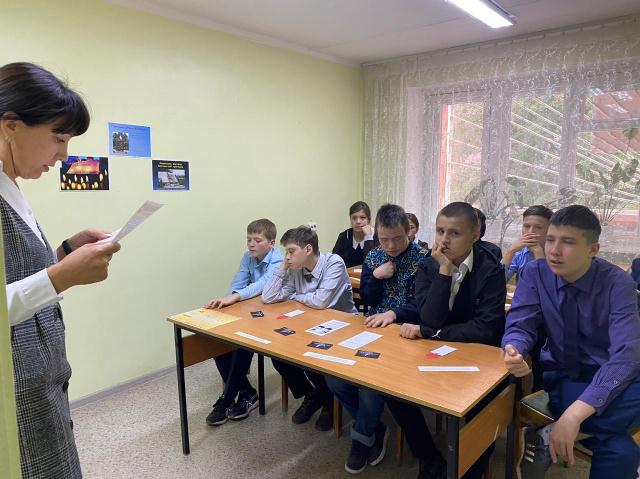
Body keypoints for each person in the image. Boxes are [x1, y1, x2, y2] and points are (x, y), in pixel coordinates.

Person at [0, 62, 121, 478]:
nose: (64, 156)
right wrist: (62, 275)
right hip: (14, 387)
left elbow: (15, 271)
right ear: (11, 126)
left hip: (42, 377)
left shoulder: (11, 186)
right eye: (58, 138)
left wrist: (66, 251)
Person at [502, 205, 640, 479]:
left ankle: (548, 434)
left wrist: (574, 416)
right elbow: (521, 322)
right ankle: (560, 431)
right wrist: (514, 347)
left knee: (613, 418)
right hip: (568, 375)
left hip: (615, 375)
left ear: (592, 249)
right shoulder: (536, 273)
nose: (554, 250)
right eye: (550, 239)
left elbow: (627, 354)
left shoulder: (617, 283)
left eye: (567, 242)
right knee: (619, 450)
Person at [381, 201, 506, 478]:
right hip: (436, 347)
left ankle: (469, 469)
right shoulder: (429, 264)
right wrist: (445, 271)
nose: (444, 240)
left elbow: (485, 329)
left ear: (475, 235)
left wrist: (433, 333)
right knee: (394, 390)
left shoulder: (491, 268)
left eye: (454, 233)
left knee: (482, 408)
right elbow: (430, 318)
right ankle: (429, 457)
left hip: (479, 355)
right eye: (440, 231)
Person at [326, 203, 428, 475]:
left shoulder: (423, 258)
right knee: (334, 377)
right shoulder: (373, 256)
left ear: (408, 232)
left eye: (397, 239)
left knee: (370, 385)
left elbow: (423, 307)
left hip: (406, 333)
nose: (391, 246)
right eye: (384, 239)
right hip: (371, 328)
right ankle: (374, 425)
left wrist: (393, 314)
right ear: (377, 235)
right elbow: (368, 300)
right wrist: (376, 277)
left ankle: (362, 438)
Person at [262, 226, 356, 431]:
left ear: (308, 249)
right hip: (309, 326)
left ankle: (329, 402)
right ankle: (314, 395)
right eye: (286, 252)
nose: (287, 257)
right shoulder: (296, 268)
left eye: (291, 251)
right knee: (278, 356)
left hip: (343, 328)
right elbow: (268, 297)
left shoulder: (334, 262)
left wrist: (297, 297)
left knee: (311, 357)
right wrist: (282, 269)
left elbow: (321, 301)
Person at [203, 218, 283, 426]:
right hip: (253, 310)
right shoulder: (248, 257)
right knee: (218, 343)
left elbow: (262, 285)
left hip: (275, 314)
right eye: (249, 240)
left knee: (243, 344)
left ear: (271, 243)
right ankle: (247, 392)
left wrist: (236, 297)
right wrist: (225, 303)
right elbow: (238, 283)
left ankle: (227, 398)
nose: (251, 244)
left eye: (257, 240)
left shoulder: (278, 259)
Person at [503, 205, 553, 283]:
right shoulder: (519, 252)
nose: (530, 231)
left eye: (538, 227)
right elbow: (498, 282)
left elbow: (548, 286)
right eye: (526, 226)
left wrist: (538, 253)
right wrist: (510, 251)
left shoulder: (557, 253)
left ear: (550, 230)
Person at [332, 201, 378, 268]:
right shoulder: (344, 236)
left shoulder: (377, 236)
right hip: (348, 274)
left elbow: (374, 263)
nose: (358, 222)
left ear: (369, 220)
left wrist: (369, 237)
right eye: (354, 218)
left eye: (362, 218)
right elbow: (334, 261)